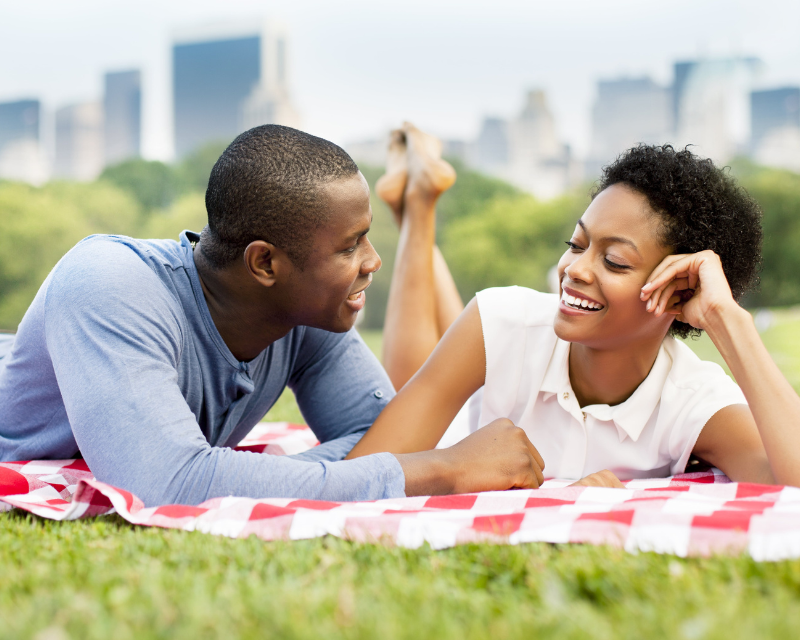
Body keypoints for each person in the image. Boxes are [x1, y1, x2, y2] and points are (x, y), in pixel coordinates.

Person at [0, 125, 547, 506]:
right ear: (265, 263)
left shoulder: (305, 315)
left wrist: (240, 476)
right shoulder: (108, 286)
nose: (372, 262)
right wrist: (442, 469)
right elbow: (169, 485)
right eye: (350, 246)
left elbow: (382, 435)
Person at [349, 126, 800, 489]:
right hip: (445, 445)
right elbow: (365, 472)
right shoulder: (503, 318)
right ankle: (419, 209)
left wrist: (727, 319)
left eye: (614, 261)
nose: (574, 269)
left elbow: (792, 481)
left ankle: (417, 202)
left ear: (677, 292)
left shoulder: (691, 399)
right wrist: (461, 470)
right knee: (409, 379)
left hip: (495, 379)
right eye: (576, 244)